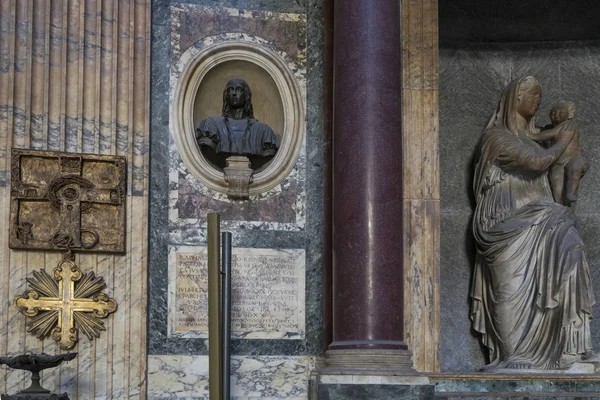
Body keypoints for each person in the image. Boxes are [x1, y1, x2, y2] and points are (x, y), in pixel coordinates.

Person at [470, 76, 596, 371]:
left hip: (544, 215)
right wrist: (562, 143)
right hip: (504, 221)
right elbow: (536, 163)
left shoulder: (539, 136)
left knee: (572, 251)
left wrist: (575, 163)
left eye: (541, 96)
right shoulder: (496, 137)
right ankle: (512, 355)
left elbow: (560, 167)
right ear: (516, 98)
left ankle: (571, 348)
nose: (539, 101)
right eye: (533, 95)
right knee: (510, 286)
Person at [195, 78, 279, 170]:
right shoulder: (212, 125)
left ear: (246, 96)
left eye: (239, 89)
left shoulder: (263, 131)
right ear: (226, 95)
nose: (234, 93)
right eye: (231, 89)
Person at [532, 101, 589, 205]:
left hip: (573, 158)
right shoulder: (549, 128)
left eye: (560, 112)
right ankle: (563, 207)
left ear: (569, 115)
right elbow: (541, 131)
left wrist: (530, 135)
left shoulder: (569, 125)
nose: (555, 114)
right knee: (557, 191)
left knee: (574, 168)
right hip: (557, 165)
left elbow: (551, 134)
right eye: (552, 112)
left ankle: (571, 192)